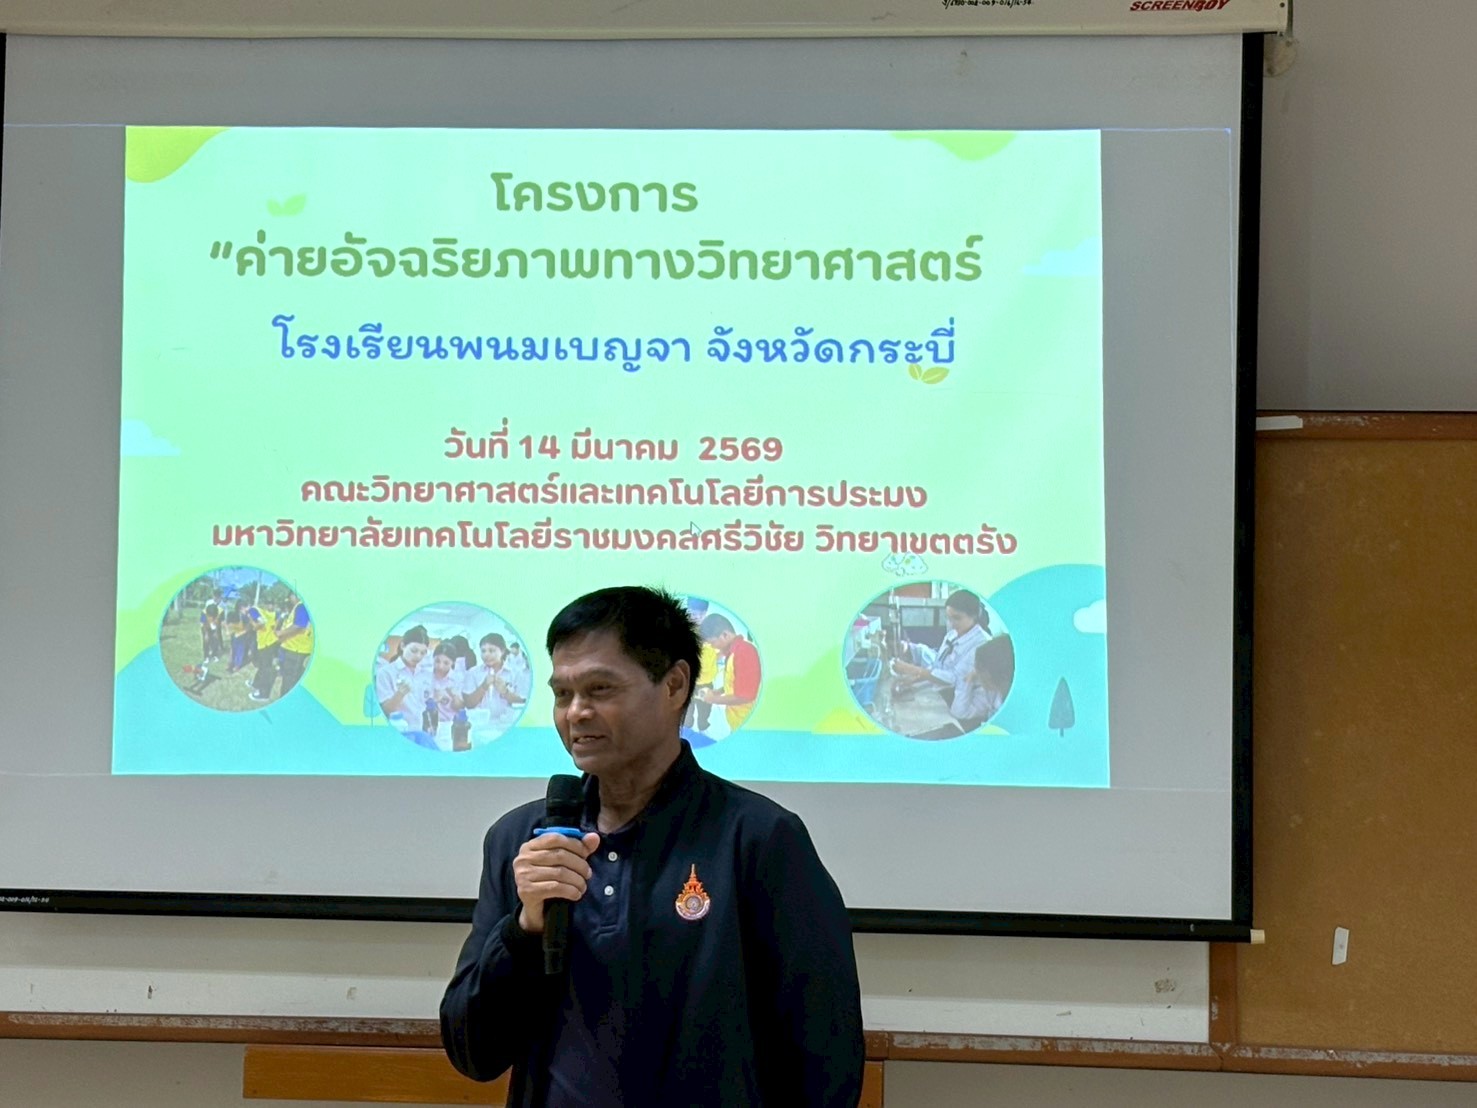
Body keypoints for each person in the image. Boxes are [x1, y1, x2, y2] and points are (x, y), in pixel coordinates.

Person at [440, 585, 863, 1107]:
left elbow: (826, 1054)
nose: (576, 713)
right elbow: (473, 1052)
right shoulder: (522, 841)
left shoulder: (758, 838)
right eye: (562, 694)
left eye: (600, 689)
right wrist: (525, 929)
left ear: (675, 685)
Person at [891, 589, 990, 726]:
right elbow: (938, 666)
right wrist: (911, 681)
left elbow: (956, 679)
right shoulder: (953, 634)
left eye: (957, 618)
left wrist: (913, 670)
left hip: (965, 702)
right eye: (948, 618)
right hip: (947, 691)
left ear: (974, 615)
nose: (951, 623)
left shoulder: (982, 644)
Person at [695, 612, 761, 733]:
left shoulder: (744, 652)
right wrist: (717, 692)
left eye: (713, 642)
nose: (713, 647)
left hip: (747, 722)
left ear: (725, 635)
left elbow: (745, 696)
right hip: (737, 721)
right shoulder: (732, 653)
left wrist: (713, 699)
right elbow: (736, 683)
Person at [375, 625, 433, 739]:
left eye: (423, 653)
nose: (418, 656)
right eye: (414, 651)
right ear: (402, 646)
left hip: (420, 732)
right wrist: (400, 694)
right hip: (397, 733)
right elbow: (386, 710)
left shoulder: (425, 674)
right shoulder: (386, 673)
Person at [274, 591, 313, 696]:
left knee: (289, 681)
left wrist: (281, 633)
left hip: (296, 650)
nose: (290, 599)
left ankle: (286, 703)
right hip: (295, 648)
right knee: (291, 679)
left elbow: (299, 626)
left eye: (290, 596)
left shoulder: (301, 606)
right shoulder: (301, 607)